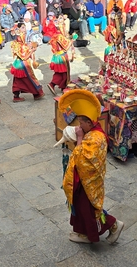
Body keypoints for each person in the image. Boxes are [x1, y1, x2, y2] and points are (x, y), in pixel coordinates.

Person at [60, 89, 125, 244]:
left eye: (81, 122)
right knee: (82, 206)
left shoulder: (96, 137)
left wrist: (80, 138)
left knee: (87, 208)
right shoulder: (93, 132)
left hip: (89, 179)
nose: (79, 125)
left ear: (89, 122)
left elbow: (82, 158)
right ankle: (83, 233)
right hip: (84, 177)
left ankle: (113, 225)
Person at [10, 31, 43, 101]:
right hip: (23, 66)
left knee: (17, 81)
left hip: (19, 64)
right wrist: (31, 51)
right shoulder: (18, 46)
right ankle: (36, 93)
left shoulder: (21, 44)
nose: (24, 36)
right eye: (23, 34)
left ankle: (16, 96)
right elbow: (24, 57)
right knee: (30, 80)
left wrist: (32, 51)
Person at [47, 20, 73, 95]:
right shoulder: (60, 37)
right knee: (64, 73)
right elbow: (66, 48)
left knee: (61, 73)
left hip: (57, 56)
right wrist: (72, 41)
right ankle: (53, 84)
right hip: (62, 57)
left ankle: (63, 87)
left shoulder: (55, 35)